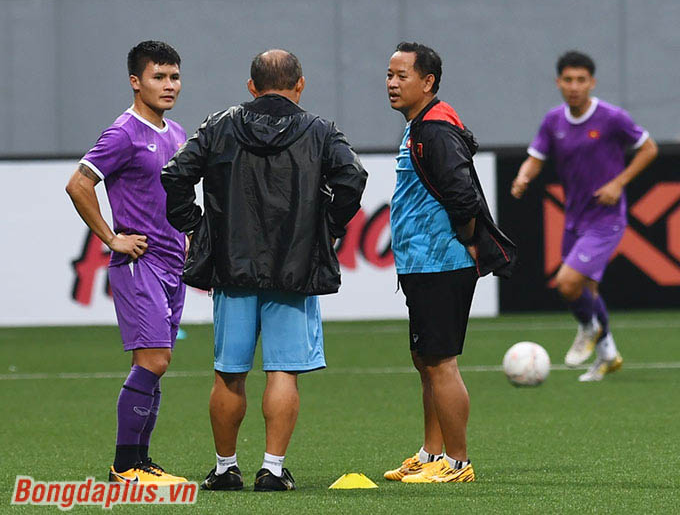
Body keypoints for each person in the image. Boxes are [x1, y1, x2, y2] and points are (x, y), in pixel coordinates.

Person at [161, 49, 367, 492]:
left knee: (229, 371)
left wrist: (195, 226)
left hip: (231, 268)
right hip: (293, 267)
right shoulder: (319, 131)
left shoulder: (218, 125)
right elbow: (353, 177)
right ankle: (272, 470)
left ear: (251, 86)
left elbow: (175, 174)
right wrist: (326, 226)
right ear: (300, 85)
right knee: (283, 372)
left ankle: (224, 468)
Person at [384, 42, 516, 483]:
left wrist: (465, 239)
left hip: (440, 263)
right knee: (426, 360)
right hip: (422, 264)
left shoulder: (434, 129)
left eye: (402, 76)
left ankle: (458, 463)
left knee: (441, 362)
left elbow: (462, 194)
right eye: (389, 75)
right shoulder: (420, 124)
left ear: (428, 82)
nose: (392, 83)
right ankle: (431, 453)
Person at [65, 40, 188, 483]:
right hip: (140, 264)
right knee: (152, 361)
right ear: (136, 82)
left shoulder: (175, 134)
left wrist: (188, 238)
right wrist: (111, 238)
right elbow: (79, 184)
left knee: (158, 362)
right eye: (159, 77)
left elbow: (175, 197)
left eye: (174, 76)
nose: (169, 85)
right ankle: (126, 464)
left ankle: (140, 461)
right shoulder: (124, 132)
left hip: (173, 265)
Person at [511, 50, 658, 382]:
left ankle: (589, 328)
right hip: (574, 218)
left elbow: (649, 148)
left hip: (606, 218)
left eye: (581, 80)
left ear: (592, 82)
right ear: (558, 82)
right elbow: (535, 157)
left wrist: (619, 183)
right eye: (568, 80)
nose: (574, 86)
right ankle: (607, 355)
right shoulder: (553, 121)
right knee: (586, 290)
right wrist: (523, 176)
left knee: (567, 283)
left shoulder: (611, 117)